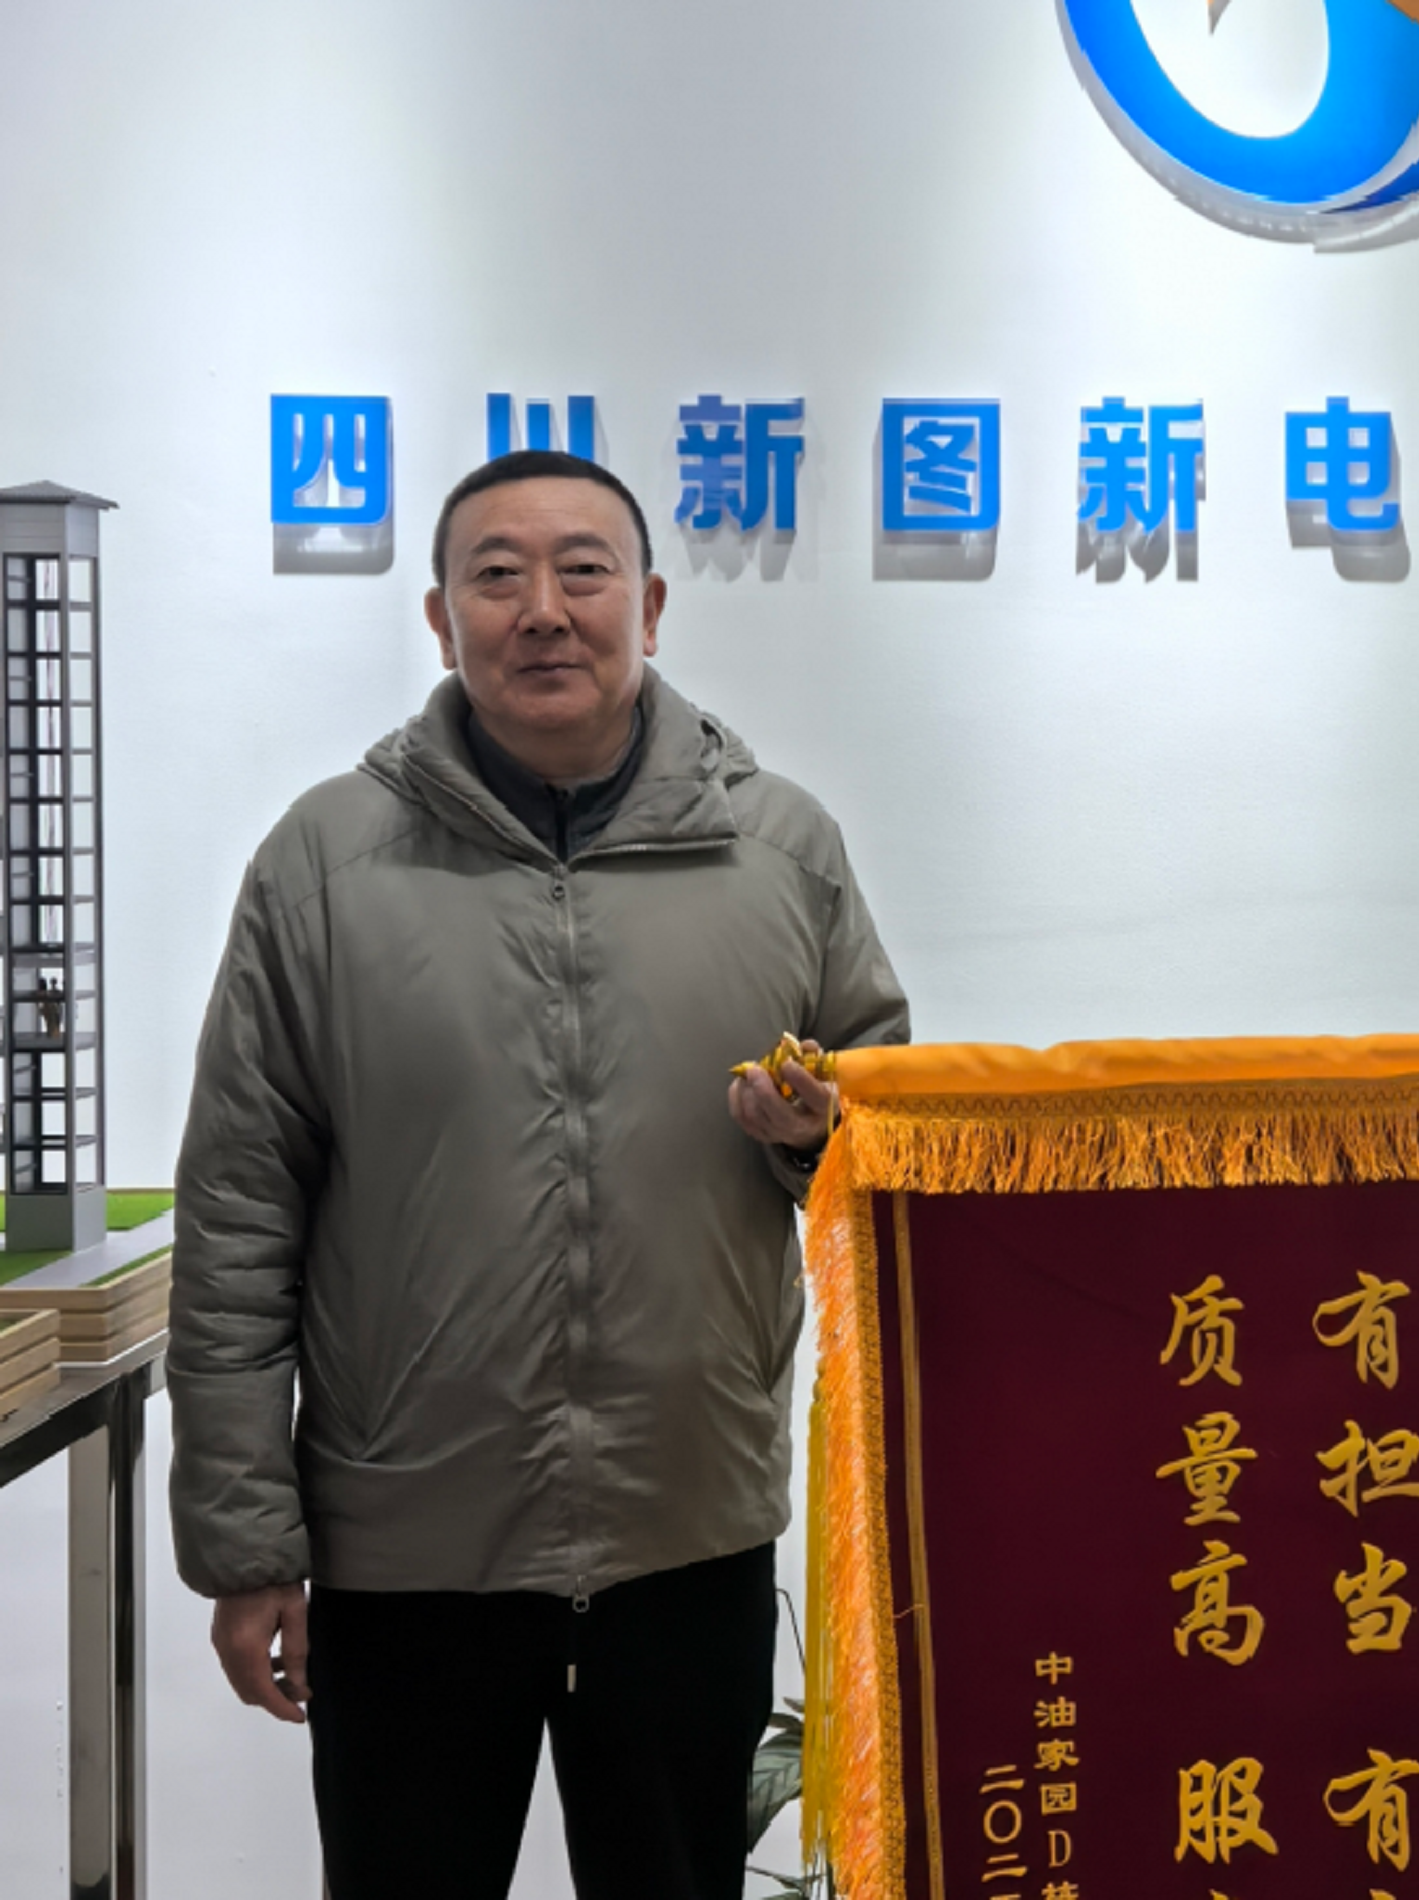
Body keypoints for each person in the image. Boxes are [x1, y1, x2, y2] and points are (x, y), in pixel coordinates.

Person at [167, 450, 909, 1900]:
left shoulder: (781, 852)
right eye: (497, 575)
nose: (544, 610)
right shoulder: (324, 867)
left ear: (651, 604)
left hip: (685, 1530)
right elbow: (240, 1219)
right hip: (407, 1549)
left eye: (583, 571)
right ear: (440, 620)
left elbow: (887, 1156)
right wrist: (248, 1547)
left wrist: (815, 1136)